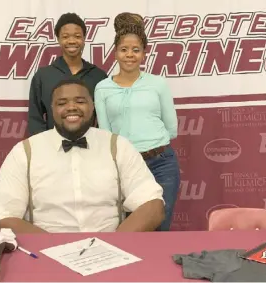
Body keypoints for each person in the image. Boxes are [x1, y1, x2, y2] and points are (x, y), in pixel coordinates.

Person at [0, 77, 165, 233]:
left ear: (92, 106)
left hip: (110, 254)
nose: (71, 107)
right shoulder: (25, 152)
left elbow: (152, 205)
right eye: (62, 103)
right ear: (51, 109)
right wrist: (53, 251)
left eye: (80, 101)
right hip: (44, 257)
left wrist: (112, 246)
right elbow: (1, 217)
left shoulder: (118, 146)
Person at [94, 12, 180, 231]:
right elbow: (106, 134)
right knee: (133, 230)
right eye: (124, 50)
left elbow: (171, 128)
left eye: (135, 50)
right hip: (125, 166)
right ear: (115, 53)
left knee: (160, 226)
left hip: (162, 163)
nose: (129, 55)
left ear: (144, 53)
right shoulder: (102, 88)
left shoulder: (158, 84)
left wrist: (149, 144)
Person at [28, 13, 108, 136]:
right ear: (58, 39)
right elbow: (35, 118)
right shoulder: (43, 76)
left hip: (91, 147)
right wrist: (43, 146)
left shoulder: (99, 76)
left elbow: (105, 119)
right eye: (65, 36)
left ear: (84, 38)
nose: (71, 41)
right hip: (53, 149)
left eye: (77, 36)